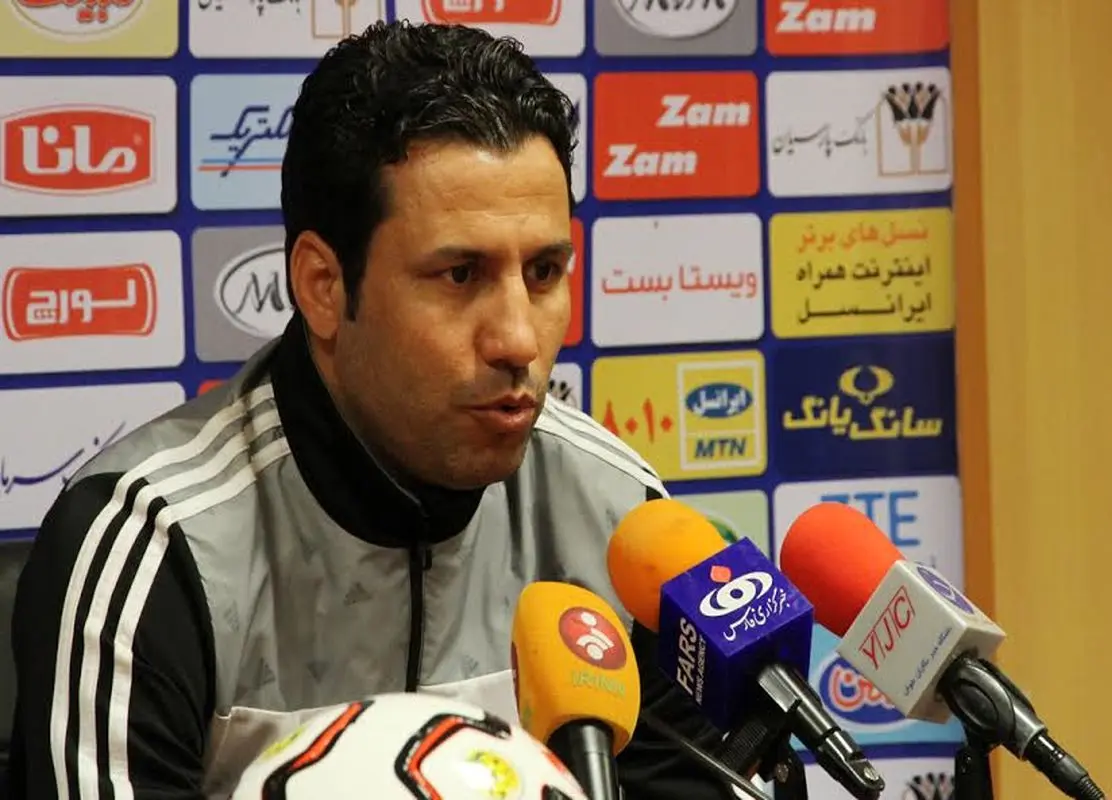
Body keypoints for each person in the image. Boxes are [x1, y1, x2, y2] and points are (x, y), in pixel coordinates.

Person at [6, 19, 738, 800]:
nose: (519, 338)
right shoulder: (156, 549)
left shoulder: (617, 517)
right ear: (323, 286)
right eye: (460, 275)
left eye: (544, 272)